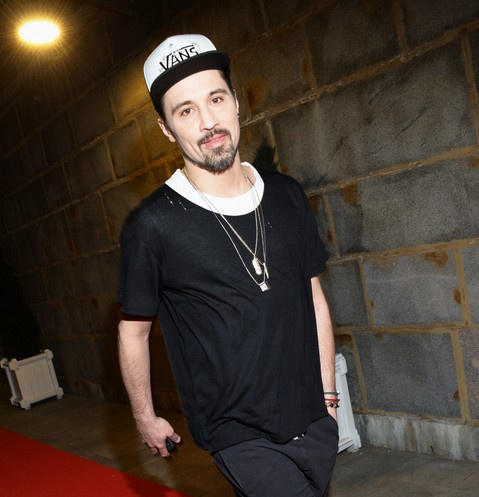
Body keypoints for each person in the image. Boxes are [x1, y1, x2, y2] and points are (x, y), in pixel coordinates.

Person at [118, 33, 339, 497]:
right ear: (166, 128)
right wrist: (145, 416)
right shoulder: (152, 225)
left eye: (215, 99)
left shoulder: (286, 195)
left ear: (236, 102)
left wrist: (329, 397)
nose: (208, 122)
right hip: (237, 434)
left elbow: (314, 298)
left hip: (313, 418)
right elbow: (132, 332)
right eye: (185, 111)